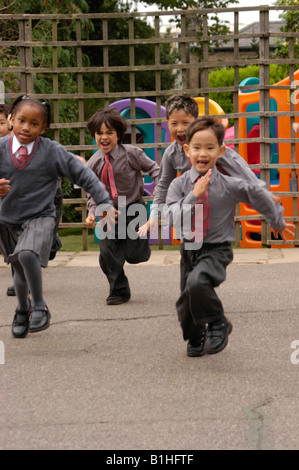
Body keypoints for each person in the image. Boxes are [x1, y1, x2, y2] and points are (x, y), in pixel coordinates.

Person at [165, 117, 294, 357]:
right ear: (187, 150)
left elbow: (255, 192)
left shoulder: (228, 185)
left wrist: (276, 219)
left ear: (220, 151)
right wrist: (193, 195)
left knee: (198, 283)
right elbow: (172, 217)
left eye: (210, 148)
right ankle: (195, 337)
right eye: (197, 147)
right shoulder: (180, 185)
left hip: (217, 248)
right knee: (185, 304)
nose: (203, 154)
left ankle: (218, 322)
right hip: (189, 249)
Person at [0, 96, 115, 338]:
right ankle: (22, 309)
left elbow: (83, 174)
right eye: (21, 120)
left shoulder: (51, 151)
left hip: (40, 216)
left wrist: (103, 201)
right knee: (18, 270)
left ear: (44, 128)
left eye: (34, 124)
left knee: (26, 253)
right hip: (7, 220)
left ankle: (40, 305)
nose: (25, 128)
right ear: (11, 120)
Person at [138, 94, 274, 238]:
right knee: (192, 250)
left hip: (216, 206)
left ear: (196, 122)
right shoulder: (172, 153)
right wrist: (154, 216)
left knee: (212, 249)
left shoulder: (212, 149)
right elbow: (163, 185)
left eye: (185, 123)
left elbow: (241, 170)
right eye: (174, 124)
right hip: (192, 208)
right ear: (167, 123)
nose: (180, 129)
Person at [85, 107, 160, 305]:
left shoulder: (132, 154)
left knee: (135, 256)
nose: (104, 137)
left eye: (109, 132)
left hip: (134, 207)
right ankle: (119, 289)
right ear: (94, 136)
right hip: (108, 211)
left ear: (119, 134)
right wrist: (93, 212)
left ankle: (137, 250)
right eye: (99, 133)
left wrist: (161, 190)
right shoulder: (93, 163)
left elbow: (154, 169)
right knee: (107, 252)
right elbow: (92, 191)